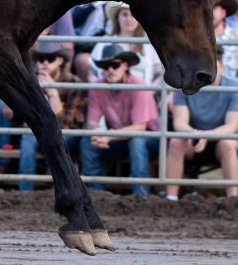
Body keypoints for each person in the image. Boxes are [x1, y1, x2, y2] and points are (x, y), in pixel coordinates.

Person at [78, 43, 160, 196]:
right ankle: (98, 196)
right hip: (119, 138)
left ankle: (140, 197)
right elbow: (91, 123)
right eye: (106, 66)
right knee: (87, 142)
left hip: (150, 138)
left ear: (125, 66)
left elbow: (140, 128)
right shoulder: (98, 86)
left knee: (137, 141)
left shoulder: (139, 86)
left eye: (115, 65)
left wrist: (108, 135)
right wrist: (96, 134)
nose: (110, 70)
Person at [165, 46, 238, 199]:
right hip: (193, 140)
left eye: (211, 66)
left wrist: (206, 135)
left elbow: (232, 126)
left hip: (221, 141)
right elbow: (179, 123)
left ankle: (233, 199)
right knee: (176, 142)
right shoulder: (184, 86)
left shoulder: (236, 87)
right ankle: (171, 198)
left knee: (227, 144)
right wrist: (195, 134)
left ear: (221, 67)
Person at [16, 40, 89, 191]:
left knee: (61, 137)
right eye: (41, 59)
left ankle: (62, 187)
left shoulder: (74, 83)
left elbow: (65, 124)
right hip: (39, 133)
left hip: (68, 136)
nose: (45, 63)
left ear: (60, 60)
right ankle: (25, 192)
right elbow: (24, 120)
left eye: (50, 59)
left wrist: (52, 92)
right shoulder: (29, 81)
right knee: (27, 138)